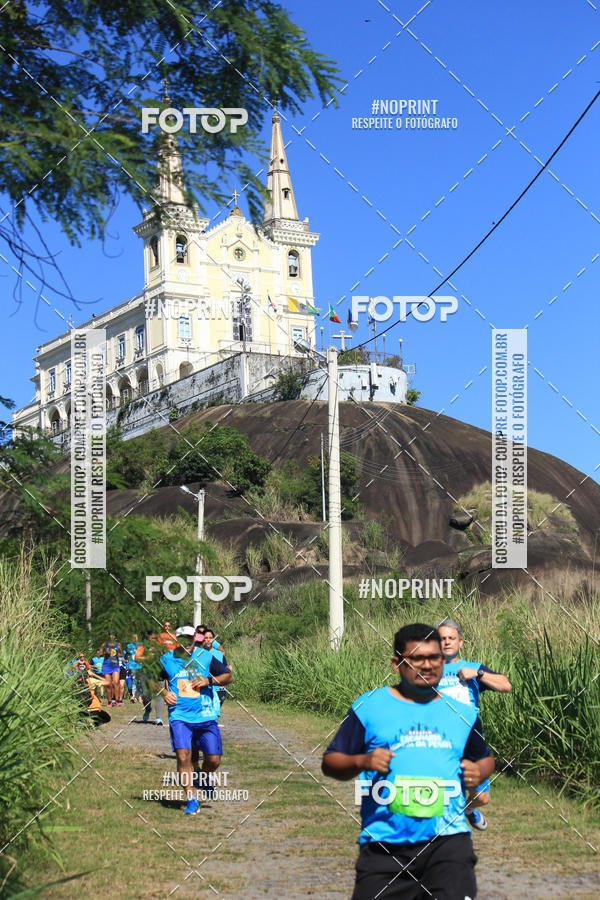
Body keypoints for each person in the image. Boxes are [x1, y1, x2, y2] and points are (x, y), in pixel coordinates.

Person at [322, 623, 494, 900]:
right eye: (417, 658)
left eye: (434, 658)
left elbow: (484, 760)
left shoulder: (463, 713)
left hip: (448, 845)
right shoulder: (370, 706)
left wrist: (478, 771)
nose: (427, 666)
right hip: (385, 846)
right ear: (397, 663)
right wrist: (362, 760)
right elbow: (330, 762)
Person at [437, 618, 512, 832]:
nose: (447, 642)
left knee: (483, 797)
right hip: (440, 739)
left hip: (471, 737)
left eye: (452, 638)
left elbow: (506, 686)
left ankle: (467, 809)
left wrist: (478, 674)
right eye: (442, 639)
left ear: (461, 642)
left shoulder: (473, 668)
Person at [162, 627, 232, 816]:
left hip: (206, 716)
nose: (186, 641)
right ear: (177, 639)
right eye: (182, 638)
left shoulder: (206, 656)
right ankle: (191, 800)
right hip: (180, 716)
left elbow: (227, 676)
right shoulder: (167, 658)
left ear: (195, 638)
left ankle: (205, 775)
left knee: (214, 760)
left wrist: (209, 681)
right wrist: (163, 692)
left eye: (189, 637)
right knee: (183, 756)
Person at [136, 630, 166, 725]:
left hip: (159, 672)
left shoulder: (161, 646)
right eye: (152, 636)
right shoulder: (143, 646)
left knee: (159, 694)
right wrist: (147, 658)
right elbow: (136, 658)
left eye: (155, 636)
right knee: (146, 696)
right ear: (148, 636)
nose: (154, 638)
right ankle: (147, 709)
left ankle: (158, 718)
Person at [97, 633, 122, 707]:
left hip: (115, 665)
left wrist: (116, 654)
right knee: (108, 684)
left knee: (116, 682)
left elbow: (122, 654)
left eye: (113, 635)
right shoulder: (104, 644)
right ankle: (109, 701)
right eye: (110, 635)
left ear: (115, 636)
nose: (112, 636)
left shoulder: (118, 645)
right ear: (108, 636)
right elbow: (100, 654)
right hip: (107, 666)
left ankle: (117, 700)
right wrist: (106, 653)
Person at [126, 634, 143, 703]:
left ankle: (140, 696)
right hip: (132, 665)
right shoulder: (129, 646)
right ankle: (133, 696)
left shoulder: (141, 645)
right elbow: (129, 655)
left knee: (140, 682)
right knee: (134, 680)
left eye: (136, 637)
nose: (135, 639)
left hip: (140, 665)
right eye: (133, 637)